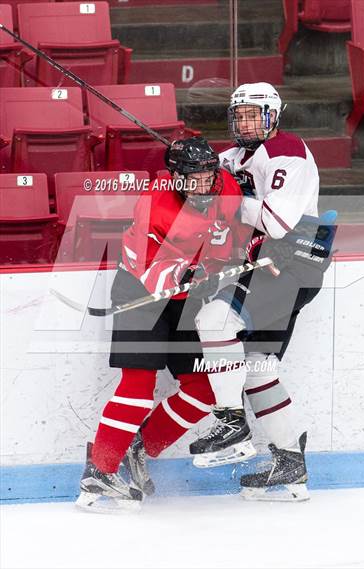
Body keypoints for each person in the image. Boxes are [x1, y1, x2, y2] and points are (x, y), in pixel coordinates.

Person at [76, 137, 243, 512]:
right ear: (175, 177)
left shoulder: (225, 186)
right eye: (195, 179)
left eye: (208, 177)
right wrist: (195, 272)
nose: (205, 185)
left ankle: (138, 448)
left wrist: (223, 264)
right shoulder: (154, 205)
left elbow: (234, 229)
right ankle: (99, 475)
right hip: (142, 294)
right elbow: (147, 269)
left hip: (187, 300)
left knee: (204, 389)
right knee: (137, 388)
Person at [187, 82, 336, 501]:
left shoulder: (287, 151)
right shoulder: (232, 157)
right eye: (240, 115)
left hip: (291, 262)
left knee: (214, 319)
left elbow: (276, 223)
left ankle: (231, 421)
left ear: (274, 116)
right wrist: (195, 177)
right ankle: (290, 464)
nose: (246, 122)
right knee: (256, 366)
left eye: (255, 114)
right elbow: (203, 191)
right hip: (265, 264)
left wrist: (225, 192)